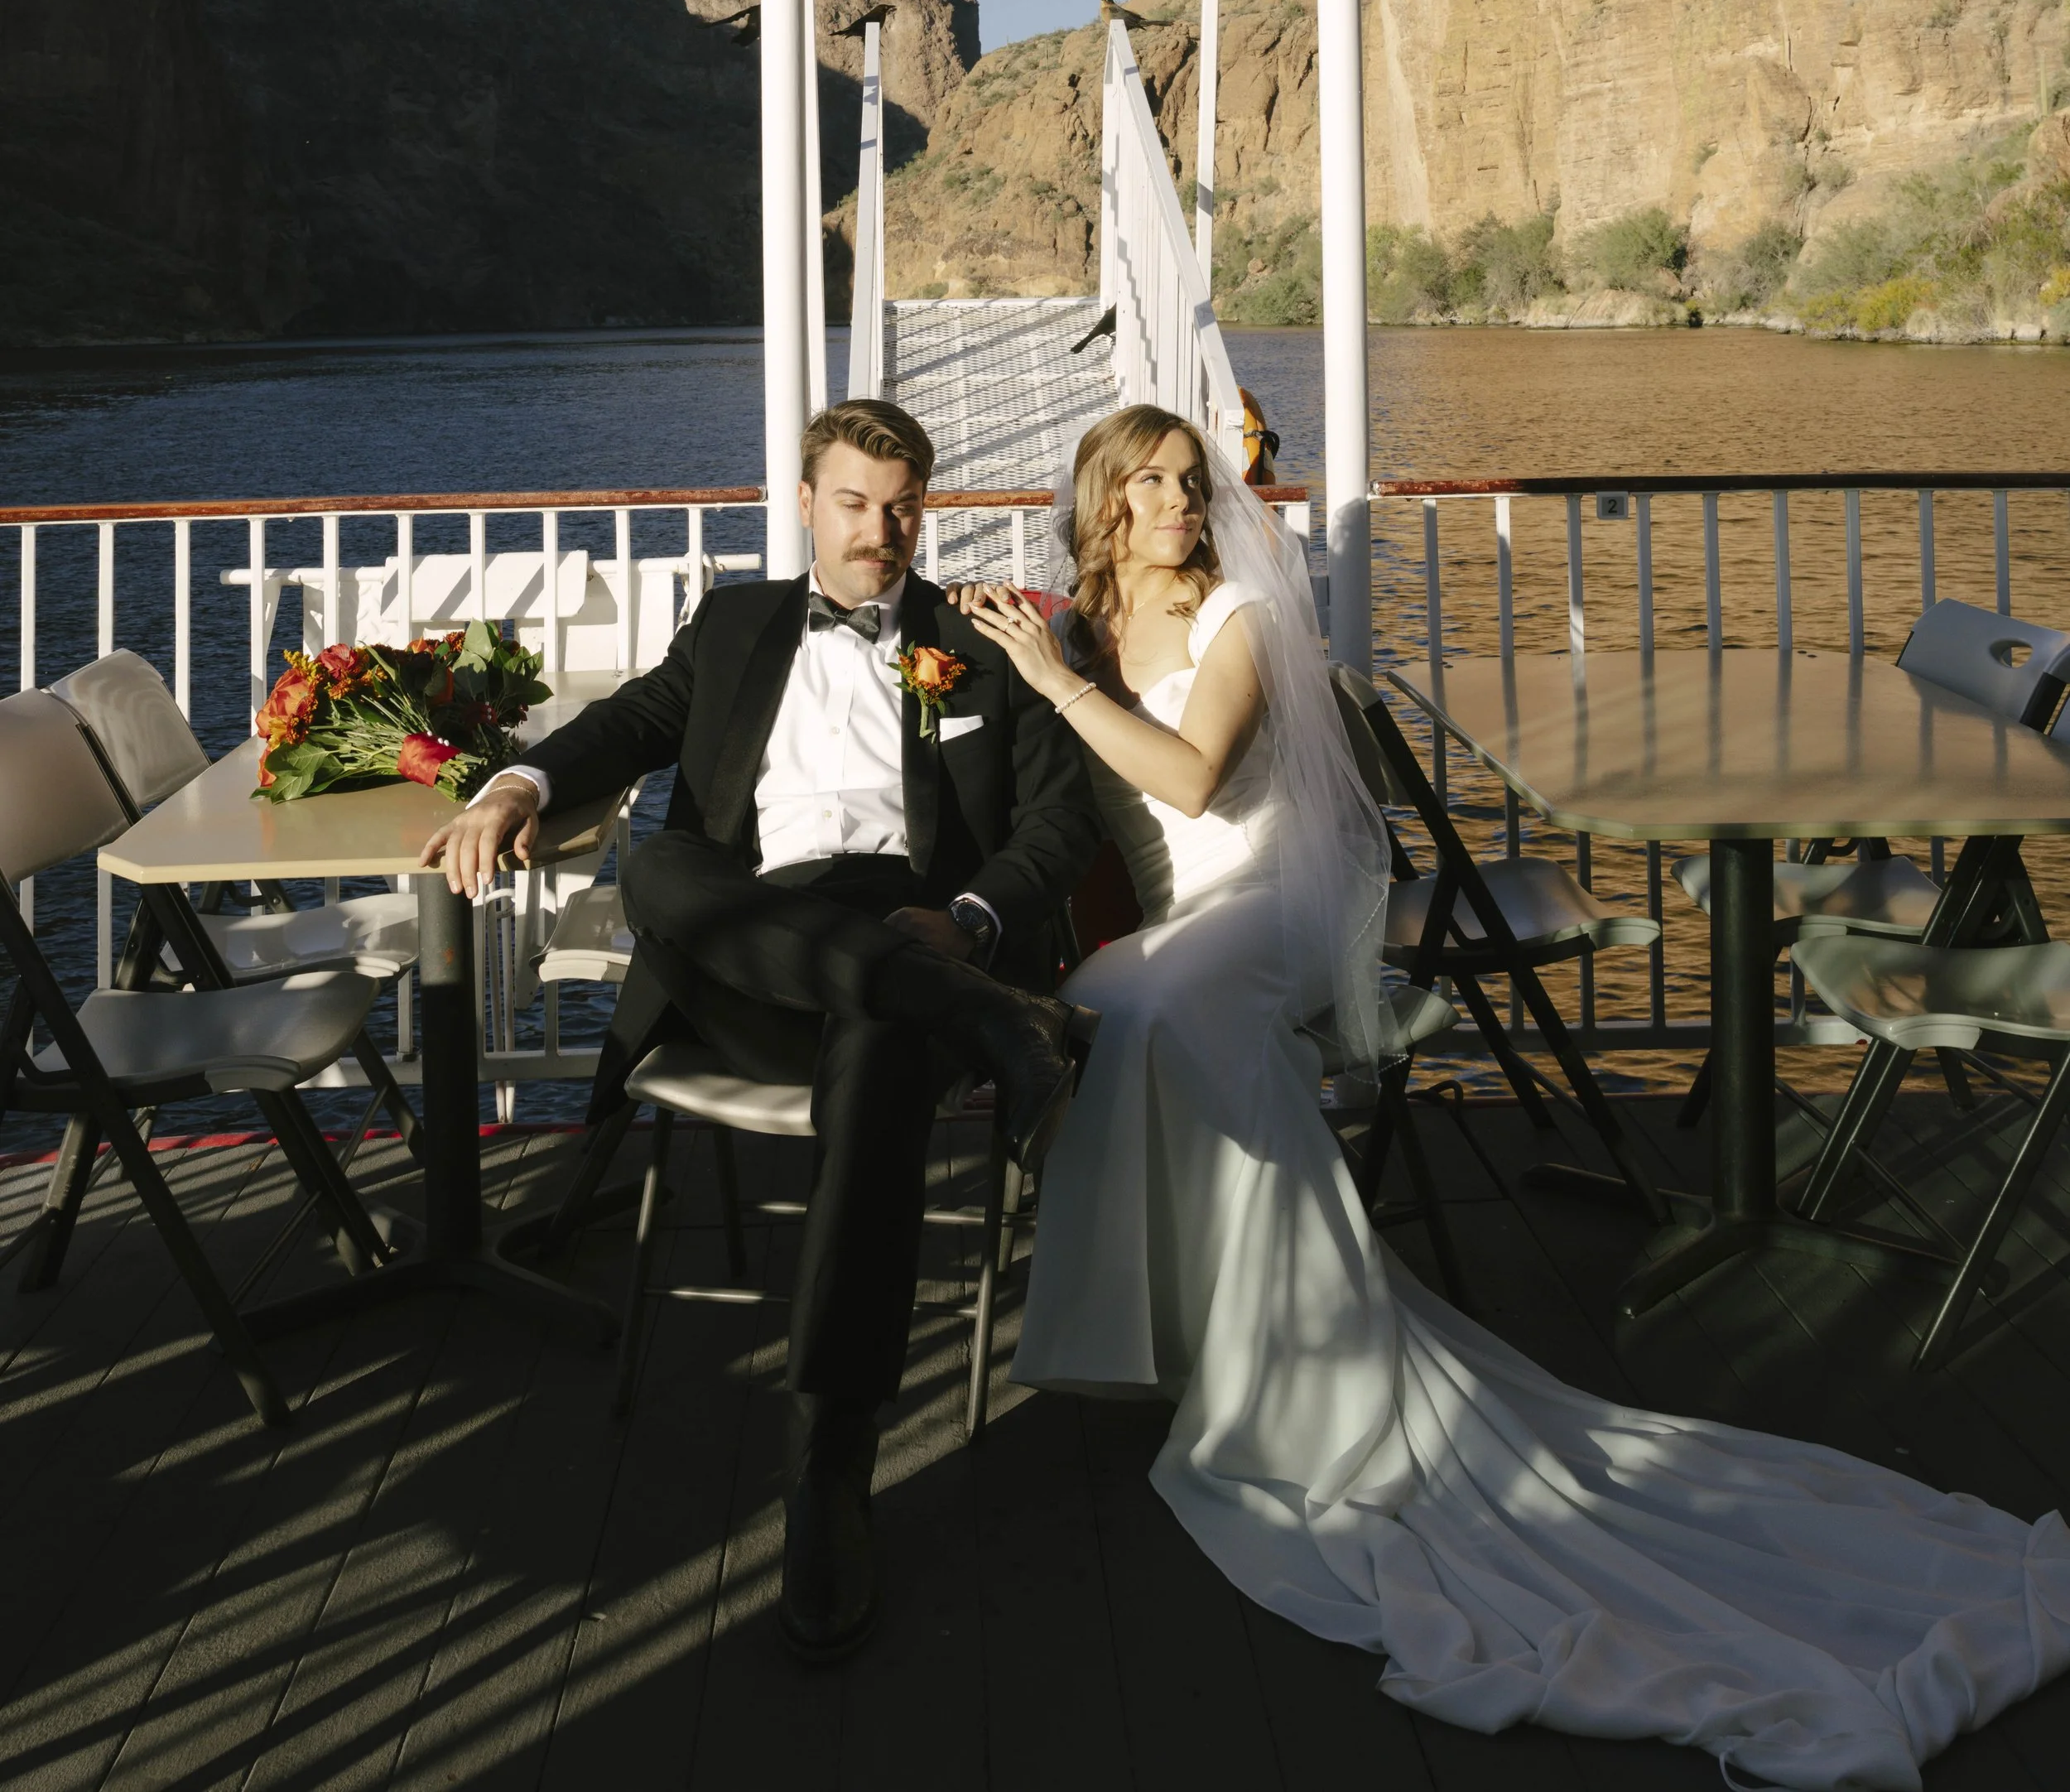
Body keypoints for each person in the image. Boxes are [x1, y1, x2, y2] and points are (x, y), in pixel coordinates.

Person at [950, 405, 2070, 1792]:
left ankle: (1287, 1368)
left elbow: (1186, 777)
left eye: (1195, 481)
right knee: (1114, 1001)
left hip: (1284, 899)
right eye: (1154, 485)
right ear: (1104, 503)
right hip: (1194, 917)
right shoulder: (1085, 628)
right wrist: (1011, 668)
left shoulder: (1241, 610)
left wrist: (1049, 681)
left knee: (1167, 1005)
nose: (1182, 502)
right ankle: (1162, 1328)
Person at [424, 397, 1100, 1666]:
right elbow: (626, 728)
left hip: (909, 935)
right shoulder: (735, 625)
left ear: (926, 511)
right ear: (805, 502)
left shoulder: (983, 641)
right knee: (665, 870)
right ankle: (1004, 1031)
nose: (877, 532)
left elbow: (1059, 828)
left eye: (902, 509)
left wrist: (966, 920)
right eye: (853, 503)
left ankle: (827, 1475)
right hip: (751, 935)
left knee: (882, 1054)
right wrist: (515, 782)